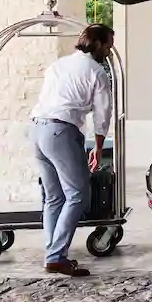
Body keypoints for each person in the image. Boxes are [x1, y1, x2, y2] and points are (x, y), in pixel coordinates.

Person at [30, 23, 115, 277]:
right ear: (98, 43)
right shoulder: (96, 72)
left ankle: (52, 254)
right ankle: (56, 257)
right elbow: (103, 114)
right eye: (109, 46)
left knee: (54, 197)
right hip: (61, 131)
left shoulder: (58, 65)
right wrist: (98, 147)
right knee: (78, 193)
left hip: (36, 130)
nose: (109, 52)